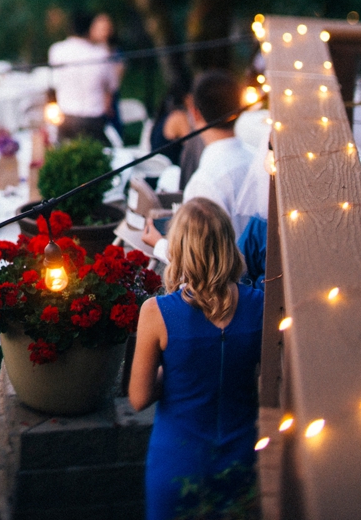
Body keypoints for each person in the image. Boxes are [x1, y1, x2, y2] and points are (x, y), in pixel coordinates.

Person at [129, 198, 263, 520]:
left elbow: (138, 397)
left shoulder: (156, 312)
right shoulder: (261, 306)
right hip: (241, 459)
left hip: (178, 462)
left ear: (178, 248)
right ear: (228, 244)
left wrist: (176, 371)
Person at [144, 71, 254, 263]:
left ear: (194, 113)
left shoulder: (204, 181)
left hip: (232, 277)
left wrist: (159, 244)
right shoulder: (257, 158)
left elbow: (198, 262)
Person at [48, 11, 120, 143]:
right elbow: (112, 85)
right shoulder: (101, 54)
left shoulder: (57, 50)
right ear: (90, 29)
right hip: (93, 120)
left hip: (66, 117)